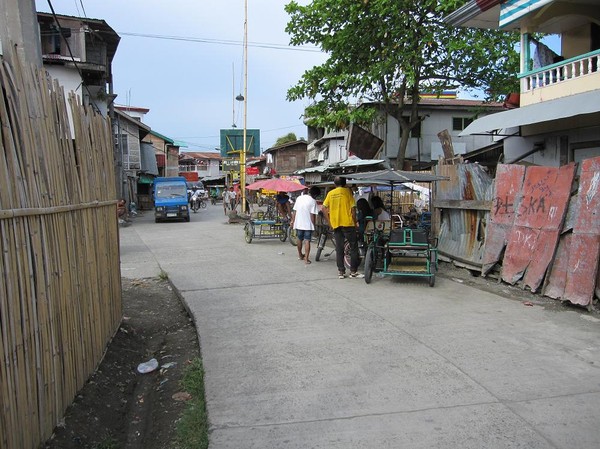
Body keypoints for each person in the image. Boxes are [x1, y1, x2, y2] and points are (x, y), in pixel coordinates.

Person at [321, 176, 362, 279]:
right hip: (348, 223)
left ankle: (341, 272)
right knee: (353, 247)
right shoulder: (348, 192)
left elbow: (323, 208)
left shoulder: (331, 193)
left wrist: (330, 222)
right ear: (345, 184)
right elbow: (353, 209)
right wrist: (355, 221)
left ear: (335, 184)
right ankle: (353, 271)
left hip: (336, 224)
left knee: (339, 248)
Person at [290, 186, 321, 265]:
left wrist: (293, 221)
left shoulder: (299, 198)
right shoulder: (313, 201)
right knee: (307, 240)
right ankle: (306, 259)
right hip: (308, 224)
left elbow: (294, 211)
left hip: (298, 223)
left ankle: (300, 255)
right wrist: (313, 226)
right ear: (316, 195)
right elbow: (312, 216)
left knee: (299, 239)